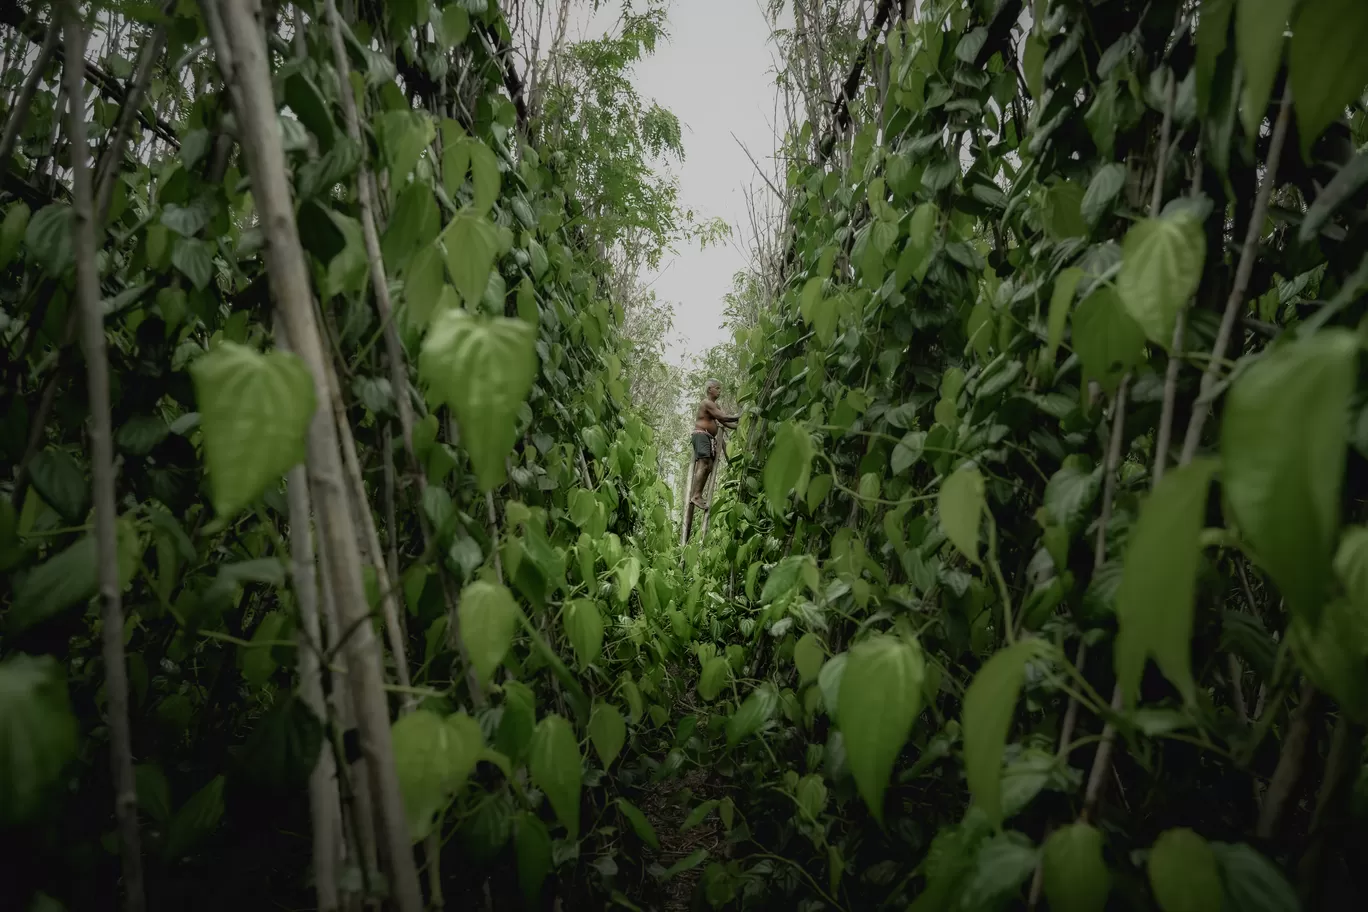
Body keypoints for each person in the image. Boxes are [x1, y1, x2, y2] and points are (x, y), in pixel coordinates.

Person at [690, 379, 739, 509]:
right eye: (717, 388)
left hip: (708, 438)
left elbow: (725, 422)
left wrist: (739, 426)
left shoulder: (715, 406)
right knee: (704, 463)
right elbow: (724, 417)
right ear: (709, 389)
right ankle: (695, 496)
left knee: (709, 466)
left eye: (719, 388)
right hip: (701, 435)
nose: (719, 391)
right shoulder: (707, 403)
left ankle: (697, 495)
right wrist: (741, 415)